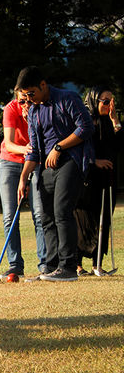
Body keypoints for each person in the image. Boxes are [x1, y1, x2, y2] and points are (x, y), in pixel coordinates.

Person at [16, 66, 94, 282]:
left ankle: (68, 267)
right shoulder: (33, 111)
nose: (29, 99)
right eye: (25, 96)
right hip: (46, 169)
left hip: (71, 162)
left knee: (62, 212)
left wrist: (59, 147)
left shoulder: (67, 98)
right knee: (46, 218)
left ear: (43, 85)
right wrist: (23, 178)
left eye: (32, 93)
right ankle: (50, 267)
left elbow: (86, 127)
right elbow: (35, 152)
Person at [0, 89, 47, 279]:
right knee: (10, 216)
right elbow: (9, 144)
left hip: (34, 163)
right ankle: (15, 264)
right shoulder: (10, 109)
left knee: (40, 215)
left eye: (28, 101)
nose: (25, 105)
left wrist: (30, 121)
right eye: (21, 101)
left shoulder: (40, 110)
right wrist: (24, 149)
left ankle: (44, 264)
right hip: (10, 162)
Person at [74, 86, 122, 276]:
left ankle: (97, 264)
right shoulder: (84, 121)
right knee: (83, 221)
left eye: (112, 101)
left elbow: (119, 146)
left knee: (104, 220)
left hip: (107, 179)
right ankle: (77, 264)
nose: (108, 105)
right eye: (105, 101)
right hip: (87, 179)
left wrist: (115, 120)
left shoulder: (109, 122)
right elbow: (78, 148)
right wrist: (95, 161)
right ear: (94, 100)